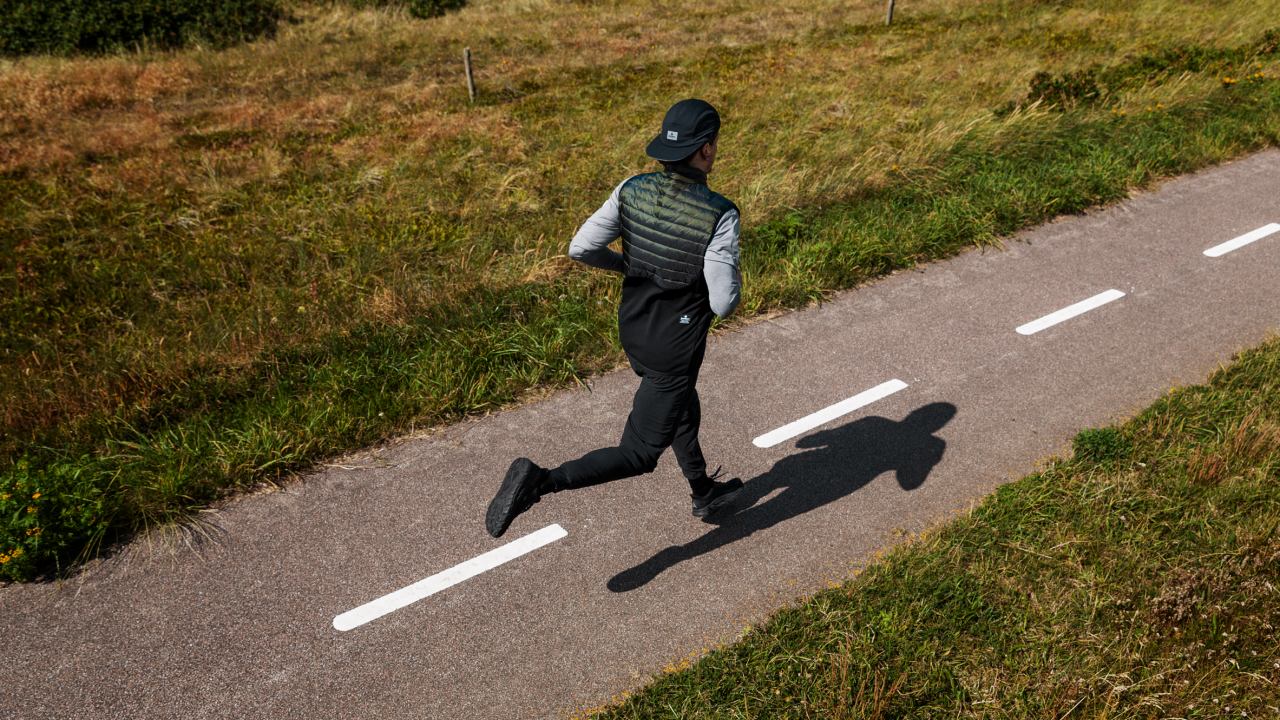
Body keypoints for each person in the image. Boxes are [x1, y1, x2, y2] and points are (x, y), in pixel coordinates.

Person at [486, 98, 745, 538]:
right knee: (641, 451)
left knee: (680, 403)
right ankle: (541, 481)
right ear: (705, 149)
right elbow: (723, 301)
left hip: (633, 330)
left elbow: (581, 247)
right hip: (672, 349)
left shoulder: (631, 188)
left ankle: (704, 491)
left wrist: (625, 265)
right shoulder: (720, 213)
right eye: (715, 144)